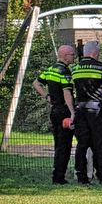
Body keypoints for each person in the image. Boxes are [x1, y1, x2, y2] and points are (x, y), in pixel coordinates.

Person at [32, 45, 77, 184]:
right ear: (64, 56)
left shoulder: (50, 70)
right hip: (64, 111)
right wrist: (72, 112)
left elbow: (36, 83)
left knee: (58, 143)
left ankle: (56, 173)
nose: (74, 57)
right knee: (65, 145)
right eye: (72, 55)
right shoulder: (64, 71)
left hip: (54, 110)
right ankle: (59, 177)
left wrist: (47, 97)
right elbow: (67, 92)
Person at [71, 41, 102, 185]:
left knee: (82, 144)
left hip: (80, 109)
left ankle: (81, 176)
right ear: (95, 53)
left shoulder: (75, 68)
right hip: (96, 110)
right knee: (100, 144)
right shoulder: (101, 67)